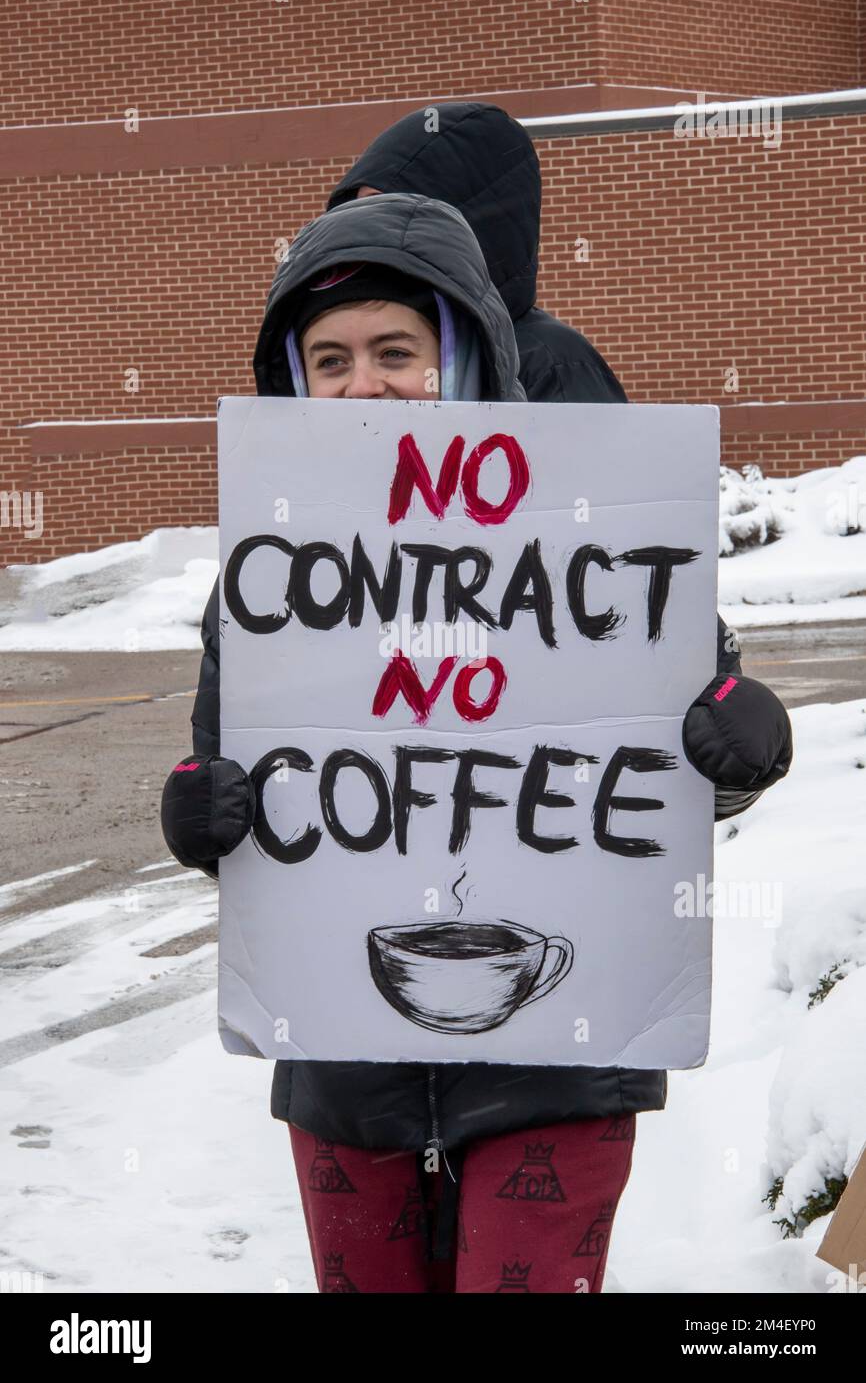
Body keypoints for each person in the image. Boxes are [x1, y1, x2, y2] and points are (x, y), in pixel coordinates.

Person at [161, 191, 793, 1293]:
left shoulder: (594, 530)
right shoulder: (269, 579)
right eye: (329, 358)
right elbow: (235, 780)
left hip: (559, 1068)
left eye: (396, 350)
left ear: (463, 358)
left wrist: (740, 743)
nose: (364, 385)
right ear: (293, 381)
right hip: (344, 1070)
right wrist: (197, 811)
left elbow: (668, 753)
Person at [326, 100, 628, 404]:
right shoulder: (344, 351)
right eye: (357, 212)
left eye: (389, 212)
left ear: (467, 224)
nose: (365, 234)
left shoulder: (551, 364)